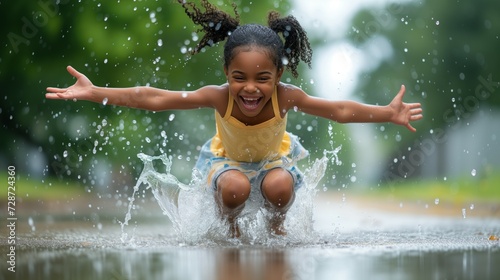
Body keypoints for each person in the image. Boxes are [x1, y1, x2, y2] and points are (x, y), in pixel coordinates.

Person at [46, 0, 423, 237]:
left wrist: (387, 113)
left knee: (279, 188)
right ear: (227, 73)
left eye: (263, 79)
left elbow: (338, 110)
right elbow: (155, 98)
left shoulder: (287, 98)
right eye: (239, 77)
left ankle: (277, 230)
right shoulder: (218, 97)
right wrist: (97, 92)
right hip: (226, 163)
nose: (250, 89)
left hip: (273, 161)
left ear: (277, 76)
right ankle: (230, 229)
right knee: (235, 189)